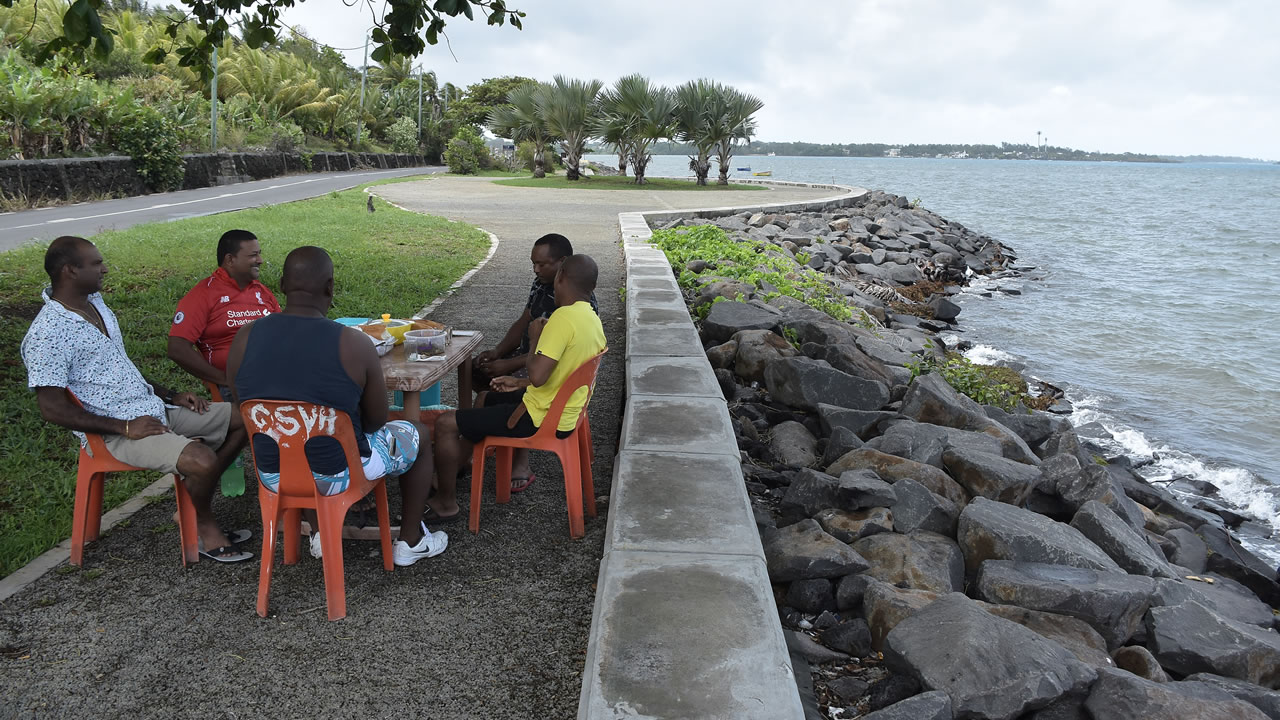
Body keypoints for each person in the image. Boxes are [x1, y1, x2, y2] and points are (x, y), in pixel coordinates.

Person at [21, 236, 252, 563]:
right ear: (70, 271)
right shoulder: (47, 333)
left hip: (154, 410)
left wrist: (172, 395)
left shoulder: (96, 304)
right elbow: (52, 408)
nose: (105, 268)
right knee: (201, 460)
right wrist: (125, 426)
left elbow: (121, 369)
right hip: (115, 433)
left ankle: (190, 505)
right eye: (96, 263)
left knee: (250, 416)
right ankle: (204, 524)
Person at [225, 246, 447, 566]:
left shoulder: (245, 337)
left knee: (296, 440)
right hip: (340, 474)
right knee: (417, 435)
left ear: (282, 285)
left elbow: (245, 404)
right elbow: (375, 421)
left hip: (273, 473)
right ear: (330, 287)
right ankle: (411, 541)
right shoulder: (352, 342)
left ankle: (319, 534)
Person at [430, 254, 606, 522]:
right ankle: (460, 465)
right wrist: (518, 381)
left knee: (445, 423)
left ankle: (446, 503)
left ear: (560, 279)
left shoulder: (562, 319)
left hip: (540, 418)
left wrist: (535, 338)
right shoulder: (591, 318)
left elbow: (537, 374)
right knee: (485, 399)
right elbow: (562, 375)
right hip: (564, 412)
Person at [470, 233, 598, 492]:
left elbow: (548, 368)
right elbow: (523, 322)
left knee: (500, 393)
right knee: (478, 370)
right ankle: (485, 435)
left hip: (548, 379)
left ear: (562, 266)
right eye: (533, 264)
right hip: (539, 367)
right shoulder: (541, 286)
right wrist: (497, 352)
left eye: (542, 264)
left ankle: (519, 456)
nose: (536, 270)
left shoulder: (572, 306)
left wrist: (511, 368)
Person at [168, 229, 280, 398]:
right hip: (239, 387)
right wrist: (224, 379)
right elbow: (177, 348)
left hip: (277, 377)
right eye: (253, 255)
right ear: (230, 260)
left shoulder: (262, 292)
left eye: (259, 254)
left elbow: (285, 333)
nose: (260, 260)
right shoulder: (203, 295)